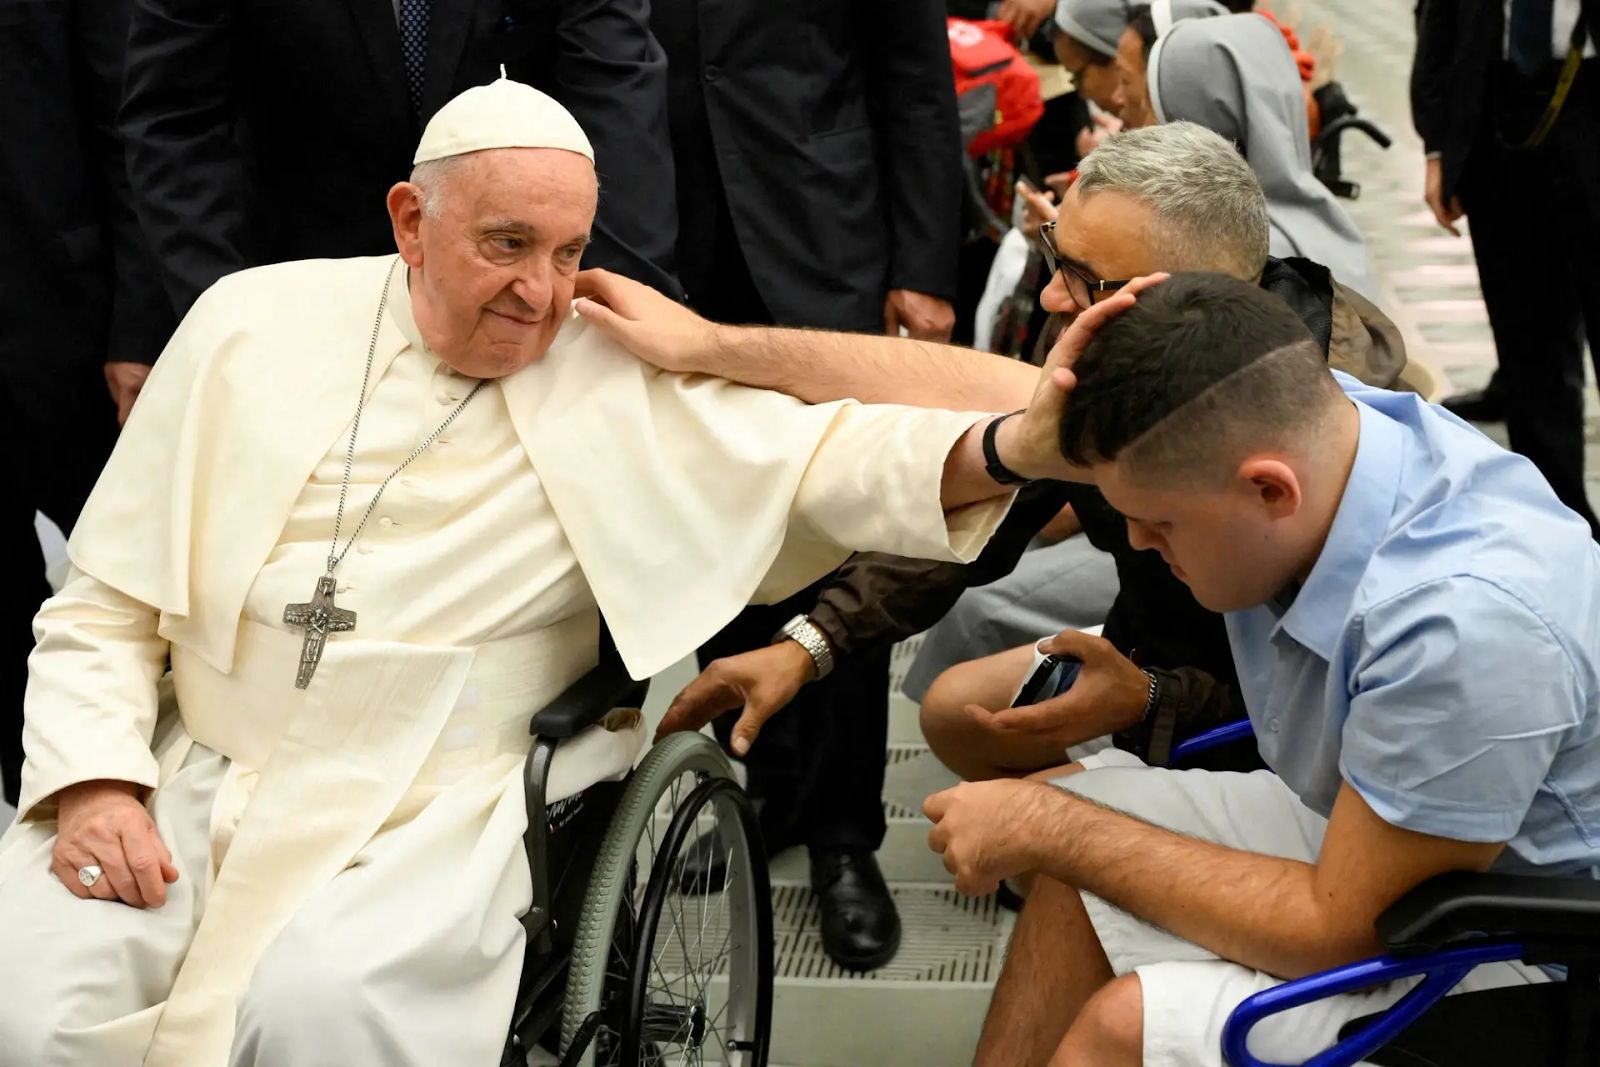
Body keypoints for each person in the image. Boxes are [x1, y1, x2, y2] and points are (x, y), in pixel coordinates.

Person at [0, 81, 1066, 1066]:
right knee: (31, 997)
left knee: (318, 1007)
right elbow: (104, 599)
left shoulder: (611, 361)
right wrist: (95, 776)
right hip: (199, 769)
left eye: (569, 252)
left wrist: (997, 438)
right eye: (507, 244)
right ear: (410, 222)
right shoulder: (247, 322)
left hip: (440, 810)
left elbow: (873, 447)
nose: (541, 293)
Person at [576, 122, 1407, 781]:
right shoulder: (1118, 338)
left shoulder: (1309, 419)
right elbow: (1008, 480)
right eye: (1052, 255)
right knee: (956, 712)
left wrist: (1152, 702)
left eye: (1079, 275)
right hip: (1159, 664)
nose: (1048, 296)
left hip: (1284, 738)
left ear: (1191, 292)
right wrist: (809, 642)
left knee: (1058, 865)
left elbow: (1325, 694)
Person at [929, 272, 1599, 1066]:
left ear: (1268, 490)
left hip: (1543, 952)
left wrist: (1052, 828)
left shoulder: (1460, 623)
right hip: (1409, 835)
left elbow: (1335, 928)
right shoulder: (1313, 421)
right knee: (1079, 851)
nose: (1139, 544)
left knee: (1126, 1020)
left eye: (1160, 524)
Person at [647, 0, 964, 972]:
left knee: (843, 529)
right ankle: (757, 782)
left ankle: (841, 833)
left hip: (823, 237)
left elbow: (910, 68)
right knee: (716, 532)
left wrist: (923, 258)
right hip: (670, 249)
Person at [120, 0, 682, 323]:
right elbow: (176, 119)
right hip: (297, 282)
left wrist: (616, 310)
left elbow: (615, 97)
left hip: (526, 288)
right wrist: (228, 315)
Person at [0, 0, 174, 807]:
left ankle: (136, 793)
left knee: (132, 586)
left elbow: (134, 123)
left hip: (61, 323)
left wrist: (138, 324)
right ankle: (42, 810)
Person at [1413, 0, 1600, 535]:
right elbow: (1438, 15)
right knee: (1527, 338)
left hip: (1590, 87)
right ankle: (1559, 530)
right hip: (1496, 110)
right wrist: (1438, 145)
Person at [1133, 13, 1379, 300]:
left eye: (1153, 104)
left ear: (1195, 120)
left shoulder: (1239, 255)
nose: (1143, 123)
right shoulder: (1330, 222)